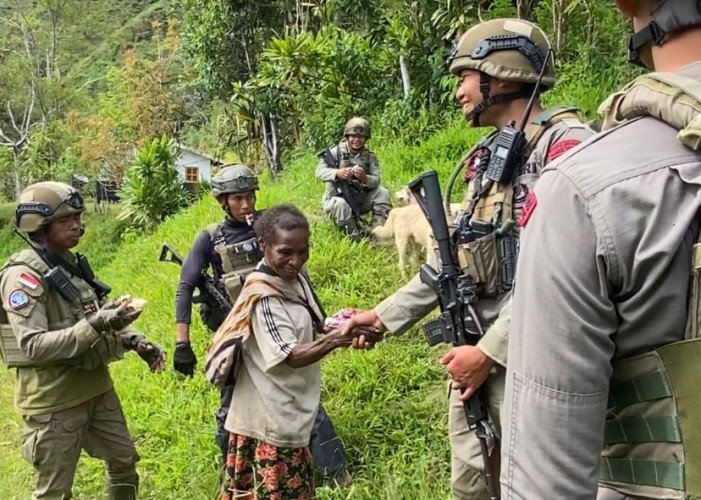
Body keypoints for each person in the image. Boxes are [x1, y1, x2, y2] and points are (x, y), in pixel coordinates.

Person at [342, 18, 594, 499]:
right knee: (472, 485)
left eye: (465, 77)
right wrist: (382, 317)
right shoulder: (491, 157)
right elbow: (459, 260)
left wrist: (490, 352)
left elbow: (566, 276)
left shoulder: (566, 150)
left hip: (538, 364)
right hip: (478, 353)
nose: (459, 91)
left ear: (501, 73)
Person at [500, 1, 701, 498]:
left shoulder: (586, 185)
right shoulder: (500, 161)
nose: (459, 90)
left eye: (466, 76)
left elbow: (548, 482)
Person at [173, 164, 351, 486]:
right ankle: (234, 473)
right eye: (237, 198)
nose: (246, 205)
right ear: (223, 201)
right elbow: (185, 286)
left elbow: (300, 278)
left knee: (299, 395)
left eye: (250, 196)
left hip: (280, 328)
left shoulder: (272, 229)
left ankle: (334, 471)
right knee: (232, 408)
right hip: (241, 339)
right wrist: (182, 343)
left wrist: (320, 321)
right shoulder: (210, 238)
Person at [0, 181, 165, 500]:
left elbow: (95, 313)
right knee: (54, 491)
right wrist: (97, 323)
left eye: (77, 217)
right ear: (39, 226)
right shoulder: (23, 277)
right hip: (54, 401)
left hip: (96, 388)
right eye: (65, 220)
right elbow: (33, 345)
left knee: (124, 464)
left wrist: (135, 340)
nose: (76, 225)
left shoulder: (68, 265)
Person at [212, 205, 361, 499]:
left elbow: (316, 321)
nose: (296, 260)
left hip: (288, 408)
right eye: (285, 252)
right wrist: (337, 339)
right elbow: (289, 355)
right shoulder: (263, 296)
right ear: (263, 245)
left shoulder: (293, 278)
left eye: (303, 251)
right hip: (267, 423)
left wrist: (340, 324)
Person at [315, 117, 392, 241]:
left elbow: (376, 180)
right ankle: (355, 240)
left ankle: (378, 234)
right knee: (340, 205)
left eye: (361, 137)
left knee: (382, 193)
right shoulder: (335, 153)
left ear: (366, 138)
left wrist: (364, 178)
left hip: (359, 199)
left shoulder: (369, 157)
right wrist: (337, 173)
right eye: (353, 136)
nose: (357, 140)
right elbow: (319, 172)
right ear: (347, 136)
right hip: (336, 200)